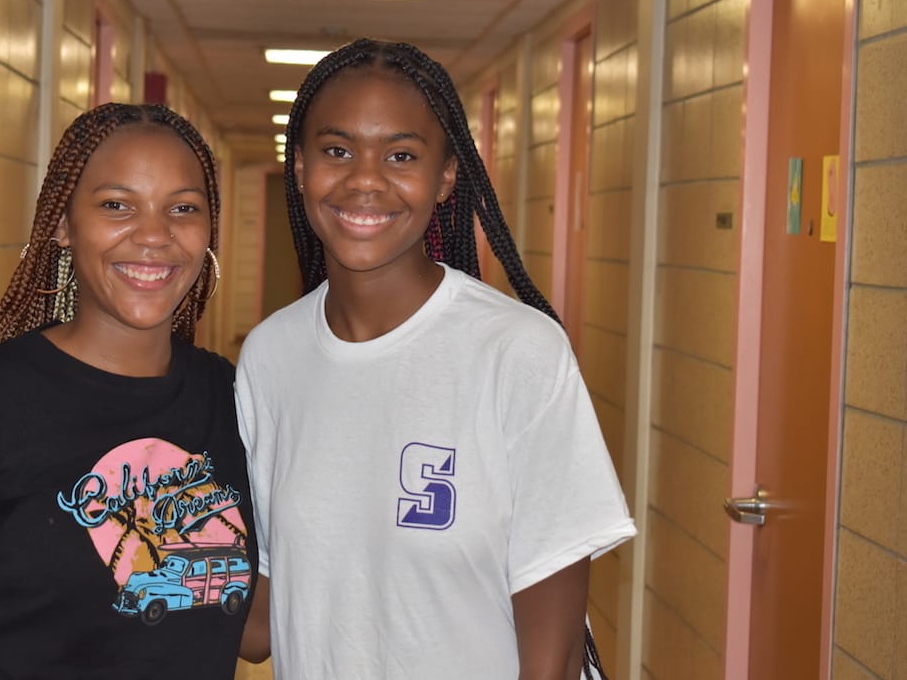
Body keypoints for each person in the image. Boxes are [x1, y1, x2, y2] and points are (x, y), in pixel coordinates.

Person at [235, 39, 636, 679]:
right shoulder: (270, 357)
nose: (365, 179)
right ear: (301, 167)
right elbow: (260, 616)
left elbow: (554, 657)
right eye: (337, 151)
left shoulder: (516, 352)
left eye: (401, 155)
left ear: (447, 175)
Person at [0, 103, 259, 679]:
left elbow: (254, 627)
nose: (154, 235)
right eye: (117, 205)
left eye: (183, 208)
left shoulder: (229, 397)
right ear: (63, 224)